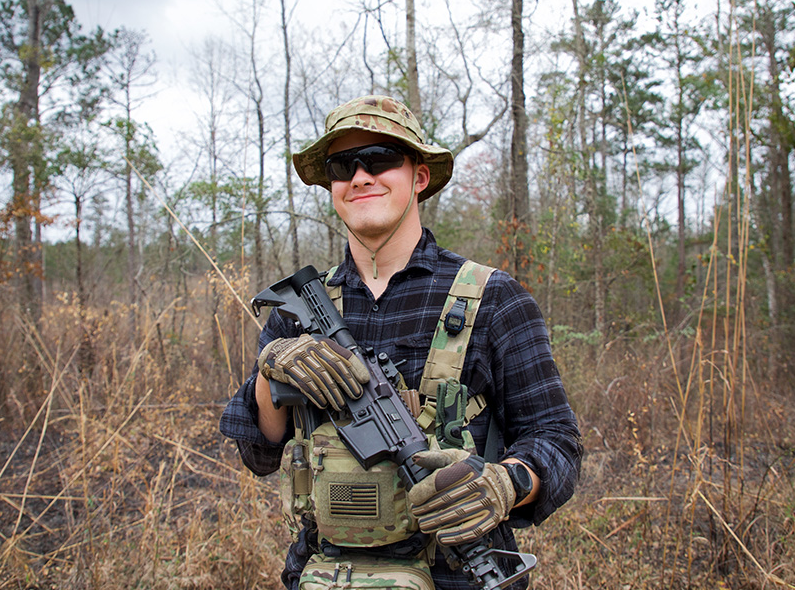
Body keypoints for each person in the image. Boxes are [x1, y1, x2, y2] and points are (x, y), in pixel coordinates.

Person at [220, 95, 582, 590]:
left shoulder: (495, 298)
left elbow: (557, 443)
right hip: (325, 575)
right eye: (343, 165)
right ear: (331, 186)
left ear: (419, 176)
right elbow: (257, 454)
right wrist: (271, 371)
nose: (362, 176)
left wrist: (506, 482)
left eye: (382, 158)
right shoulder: (297, 309)